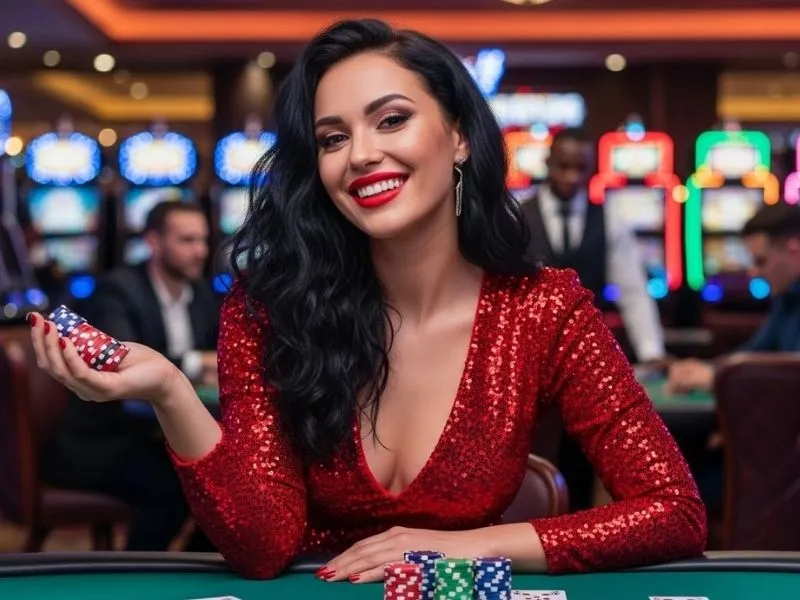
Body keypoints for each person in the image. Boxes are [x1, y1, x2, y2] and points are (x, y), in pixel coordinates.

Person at [28, 19, 705, 581]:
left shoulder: (543, 309)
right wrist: (171, 390)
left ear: (460, 135)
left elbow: (674, 510)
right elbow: (262, 548)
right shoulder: (270, 308)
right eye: (333, 138)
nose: (360, 154)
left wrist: (471, 545)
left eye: (391, 120)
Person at [42, 200, 220, 551]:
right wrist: (198, 362)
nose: (200, 251)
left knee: (223, 481)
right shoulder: (117, 289)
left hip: (161, 434)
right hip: (104, 441)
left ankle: (196, 571)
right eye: (187, 240)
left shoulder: (202, 293)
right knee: (174, 488)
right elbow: (119, 361)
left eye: (203, 240)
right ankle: (137, 580)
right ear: (154, 242)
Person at [520, 128, 666, 365]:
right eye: (563, 167)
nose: (572, 177)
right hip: (528, 350)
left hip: (587, 352)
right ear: (547, 163)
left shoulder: (608, 218)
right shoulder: (518, 218)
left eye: (580, 169)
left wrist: (651, 352)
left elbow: (633, 291)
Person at [668, 201, 800, 393]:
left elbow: (793, 380)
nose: (754, 273)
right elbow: (753, 354)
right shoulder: (787, 297)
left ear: (794, 251)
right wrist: (709, 368)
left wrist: (717, 380)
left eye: (760, 261)